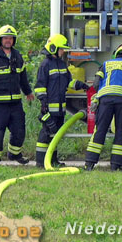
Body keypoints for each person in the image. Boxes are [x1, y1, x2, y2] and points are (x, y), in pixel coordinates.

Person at [0, 25, 34, 165]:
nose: (8, 40)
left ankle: (15, 154)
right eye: (5, 38)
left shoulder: (17, 56)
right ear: (0, 40)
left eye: (10, 38)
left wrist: (28, 92)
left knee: (19, 130)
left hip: (15, 103)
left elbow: (23, 78)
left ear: (13, 40)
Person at [85, 44, 122, 171]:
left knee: (100, 130)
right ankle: (116, 165)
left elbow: (96, 83)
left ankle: (89, 163)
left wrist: (101, 94)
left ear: (116, 53)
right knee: (121, 131)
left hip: (105, 101)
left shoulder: (106, 64)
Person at [33, 34, 89, 168]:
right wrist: (43, 103)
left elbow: (68, 83)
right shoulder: (45, 65)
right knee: (46, 134)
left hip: (61, 108)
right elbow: (40, 87)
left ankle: (53, 160)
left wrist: (81, 85)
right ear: (53, 48)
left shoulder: (62, 64)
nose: (63, 51)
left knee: (55, 135)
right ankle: (41, 162)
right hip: (49, 108)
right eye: (61, 49)